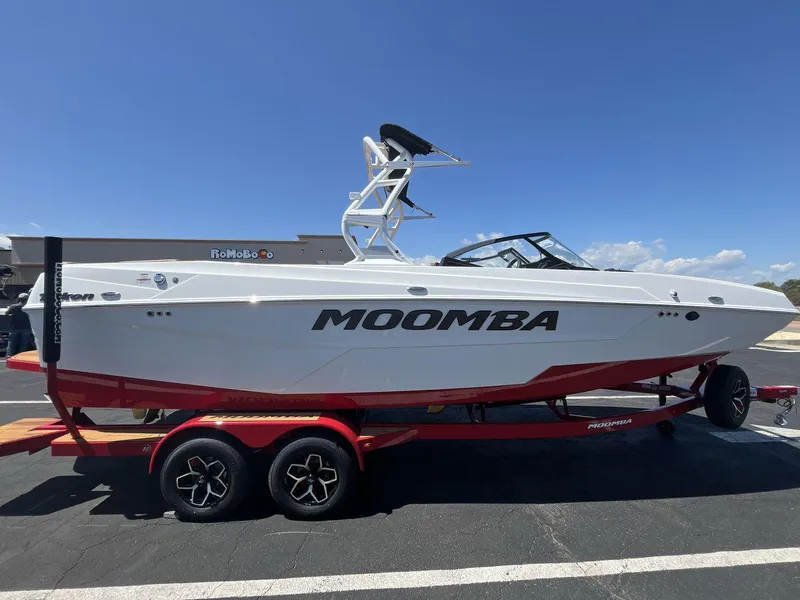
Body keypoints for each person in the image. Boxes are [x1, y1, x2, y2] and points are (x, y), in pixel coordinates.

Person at [4, 292, 32, 358]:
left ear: (19, 299)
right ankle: (21, 355)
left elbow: (6, 313)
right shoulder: (29, 307)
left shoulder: (14, 306)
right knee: (24, 343)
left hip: (14, 327)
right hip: (26, 327)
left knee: (11, 342)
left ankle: (9, 354)